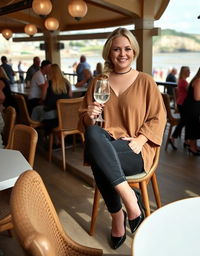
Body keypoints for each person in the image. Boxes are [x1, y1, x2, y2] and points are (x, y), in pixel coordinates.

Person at [78, 28, 166, 249]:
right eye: (117, 49)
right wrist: (89, 116)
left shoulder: (146, 81)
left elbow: (159, 116)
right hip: (106, 143)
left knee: (99, 157)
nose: (122, 53)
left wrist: (141, 139)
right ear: (109, 53)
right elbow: (86, 124)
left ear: (134, 51)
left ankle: (118, 217)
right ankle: (129, 200)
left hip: (135, 148)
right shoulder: (99, 82)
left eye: (127, 48)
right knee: (93, 135)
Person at [31, 63, 72, 136]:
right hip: (65, 116)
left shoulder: (48, 83)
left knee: (35, 109)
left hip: (51, 118)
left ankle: (35, 134)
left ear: (50, 72)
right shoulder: (67, 83)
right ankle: (52, 137)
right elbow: (70, 96)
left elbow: (43, 98)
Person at [169, 66, 190, 149]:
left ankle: (185, 140)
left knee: (185, 121)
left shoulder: (181, 81)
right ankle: (173, 137)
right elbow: (190, 92)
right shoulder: (184, 82)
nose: (189, 72)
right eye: (188, 71)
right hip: (183, 103)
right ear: (184, 72)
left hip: (181, 103)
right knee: (184, 121)